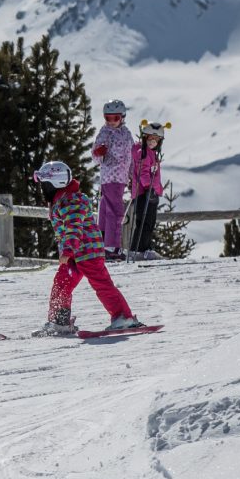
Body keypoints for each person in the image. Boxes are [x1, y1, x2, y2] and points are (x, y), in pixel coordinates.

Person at [33, 160, 144, 336]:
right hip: (74, 255)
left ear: (55, 184)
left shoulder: (72, 201)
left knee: (102, 284)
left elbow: (74, 227)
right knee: (61, 283)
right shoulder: (60, 200)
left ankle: (123, 317)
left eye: (44, 185)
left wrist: (68, 250)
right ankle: (59, 321)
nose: (42, 190)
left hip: (87, 252)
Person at [91, 100, 134, 260]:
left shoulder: (126, 133)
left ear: (122, 117)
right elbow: (95, 156)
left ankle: (101, 242)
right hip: (110, 176)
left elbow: (131, 156)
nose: (111, 122)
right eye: (108, 118)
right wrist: (99, 152)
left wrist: (132, 174)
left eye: (115, 118)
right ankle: (112, 247)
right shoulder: (105, 133)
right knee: (116, 211)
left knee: (106, 208)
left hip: (121, 177)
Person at [127, 121, 169, 258]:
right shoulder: (142, 152)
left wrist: (157, 189)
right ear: (145, 138)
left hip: (151, 192)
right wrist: (149, 188)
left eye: (156, 140)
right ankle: (138, 250)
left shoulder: (152, 154)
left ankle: (144, 248)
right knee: (143, 222)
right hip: (144, 193)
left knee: (150, 222)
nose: (153, 142)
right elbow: (143, 173)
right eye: (150, 139)